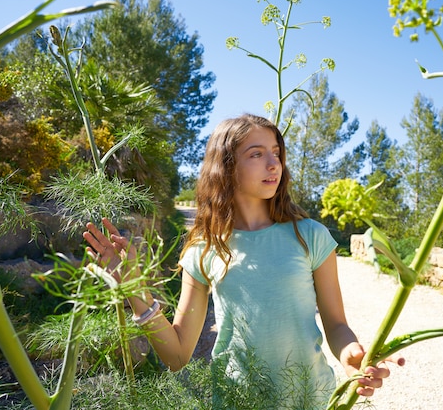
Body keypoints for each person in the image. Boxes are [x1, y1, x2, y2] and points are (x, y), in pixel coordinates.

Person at [83, 114, 403, 409]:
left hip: (312, 399)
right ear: (226, 167)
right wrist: (134, 290)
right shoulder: (204, 249)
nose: (273, 163)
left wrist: (352, 356)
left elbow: (336, 326)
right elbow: (177, 355)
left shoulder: (311, 235)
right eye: (256, 153)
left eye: (276, 152)